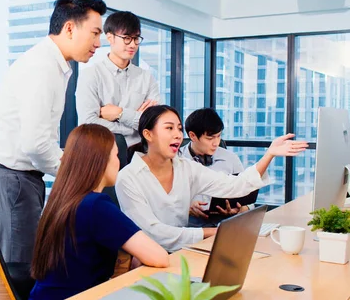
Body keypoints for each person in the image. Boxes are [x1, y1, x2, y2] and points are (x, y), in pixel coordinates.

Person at [0, 0, 107, 264]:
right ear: (70, 28)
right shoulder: (42, 67)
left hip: (15, 177)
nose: (99, 43)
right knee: (21, 269)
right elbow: (36, 143)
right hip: (14, 180)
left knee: (23, 263)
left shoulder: (52, 64)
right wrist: (77, 175)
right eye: (95, 33)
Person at [115, 105, 308, 252]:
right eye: (169, 128)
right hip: (151, 255)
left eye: (179, 128)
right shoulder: (128, 178)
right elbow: (153, 232)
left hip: (185, 251)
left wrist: (269, 154)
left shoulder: (186, 168)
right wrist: (213, 233)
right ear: (148, 134)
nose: (177, 135)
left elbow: (235, 186)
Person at [29, 124, 169, 300]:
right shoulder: (96, 205)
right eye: (116, 155)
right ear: (101, 160)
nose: (120, 162)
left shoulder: (62, 199)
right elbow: (160, 258)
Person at [76, 11, 159, 149]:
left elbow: (155, 122)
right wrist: (134, 127)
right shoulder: (91, 75)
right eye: (127, 38)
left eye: (136, 38)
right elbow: (88, 122)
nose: (133, 45)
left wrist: (119, 113)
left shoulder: (146, 77)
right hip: (101, 152)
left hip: (140, 152)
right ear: (110, 38)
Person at [180, 108, 251, 227]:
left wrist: (240, 209)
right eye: (210, 138)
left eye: (218, 136)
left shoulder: (231, 158)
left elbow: (248, 199)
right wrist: (185, 207)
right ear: (192, 135)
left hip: (225, 226)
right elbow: (163, 202)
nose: (216, 143)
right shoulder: (177, 160)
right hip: (190, 228)